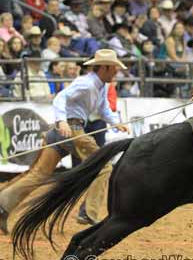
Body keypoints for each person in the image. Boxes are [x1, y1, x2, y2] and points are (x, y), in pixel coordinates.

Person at [0, 49, 130, 233]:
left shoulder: (100, 85)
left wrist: (116, 122)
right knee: (104, 167)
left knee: (40, 174)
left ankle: (2, 204)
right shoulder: (86, 84)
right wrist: (62, 121)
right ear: (105, 68)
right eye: (114, 68)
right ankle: (88, 212)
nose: (117, 71)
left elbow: (103, 108)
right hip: (71, 129)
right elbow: (60, 97)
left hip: (62, 131)